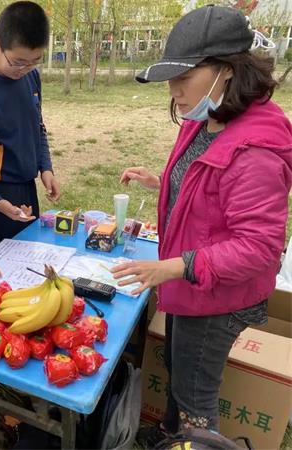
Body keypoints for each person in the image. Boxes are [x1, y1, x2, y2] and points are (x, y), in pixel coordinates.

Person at [113, 5, 292, 447]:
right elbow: (209, 186)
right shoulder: (209, 115)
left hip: (216, 297)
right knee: (179, 367)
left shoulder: (255, 151)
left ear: (226, 71)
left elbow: (258, 248)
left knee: (196, 392)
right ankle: (173, 431)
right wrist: (164, 181)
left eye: (184, 76)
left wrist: (172, 268)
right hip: (191, 284)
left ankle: (194, 439)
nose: (174, 90)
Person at [0, 1, 60, 252]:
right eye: (17, 62)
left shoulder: (31, 76)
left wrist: (45, 167)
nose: (24, 69)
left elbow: (38, 127)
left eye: (34, 61)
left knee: (29, 263)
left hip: (27, 190)